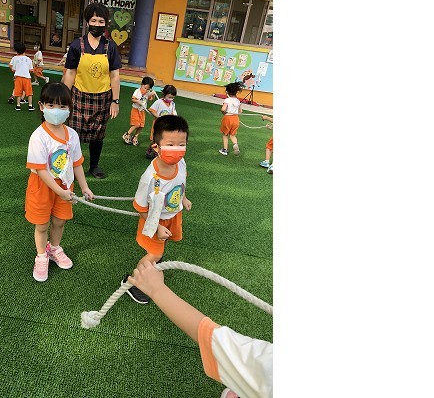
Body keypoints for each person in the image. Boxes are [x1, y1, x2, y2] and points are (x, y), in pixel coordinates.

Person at [127, 260, 273, 398]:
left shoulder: (269, 370)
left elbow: (209, 335)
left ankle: (248, 389)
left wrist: (156, 289)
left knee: (250, 372)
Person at [25, 82, 95, 282]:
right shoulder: (38, 136)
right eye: (51, 105)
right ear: (41, 106)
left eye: (63, 106)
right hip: (43, 187)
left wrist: (84, 187)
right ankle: (41, 256)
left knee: (59, 221)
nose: (57, 110)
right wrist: (59, 191)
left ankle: (54, 248)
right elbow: (40, 170)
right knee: (42, 225)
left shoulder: (72, 135)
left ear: (69, 109)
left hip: (65, 186)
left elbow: (77, 163)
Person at [123, 115, 192, 304]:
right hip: (154, 220)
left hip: (173, 215)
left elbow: (181, 183)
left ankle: (154, 263)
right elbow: (140, 207)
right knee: (155, 253)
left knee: (160, 248)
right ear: (156, 147)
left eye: (181, 144)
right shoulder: (150, 178)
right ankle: (134, 282)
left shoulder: (181, 163)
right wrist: (158, 226)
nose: (177, 150)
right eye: (170, 144)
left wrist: (184, 198)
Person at [62, 3, 122, 179]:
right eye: (93, 20)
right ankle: (73, 164)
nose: (97, 24)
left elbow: (115, 76)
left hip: (103, 98)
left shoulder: (110, 47)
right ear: (87, 22)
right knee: (74, 133)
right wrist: (64, 97)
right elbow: (70, 72)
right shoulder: (76, 45)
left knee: (98, 135)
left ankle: (94, 166)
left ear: (106, 23)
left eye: (101, 21)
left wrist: (115, 101)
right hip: (78, 96)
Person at [145, 85, 178, 159]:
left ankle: (157, 152)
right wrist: (158, 117)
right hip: (157, 124)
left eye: (172, 98)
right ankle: (150, 149)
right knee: (154, 139)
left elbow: (173, 113)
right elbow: (152, 110)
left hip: (166, 125)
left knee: (161, 139)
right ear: (164, 94)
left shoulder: (172, 104)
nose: (171, 99)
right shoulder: (159, 102)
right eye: (169, 97)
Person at [122, 77, 156, 147]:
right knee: (136, 124)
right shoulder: (137, 91)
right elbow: (133, 99)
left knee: (141, 125)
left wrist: (153, 94)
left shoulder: (147, 93)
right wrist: (138, 101)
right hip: (136, 109)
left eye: (148, 89)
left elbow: (151, 99)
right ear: (141, 85)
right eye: (145, 88)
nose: (146, 90)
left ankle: (135, 137)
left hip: (142, 111)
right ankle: (127, 134)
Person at [9, 41, 35, 111]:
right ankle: (30, 105)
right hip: (27, 78)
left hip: (18, 77)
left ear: (16, 50)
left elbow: (12, 68)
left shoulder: (14, 58)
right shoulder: (28, 59)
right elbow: (31, 70)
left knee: (18, 91)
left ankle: (18, 105)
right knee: (29, 92)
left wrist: (16, 72)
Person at [219, 82, 243, 156]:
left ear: (227, 92)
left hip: (228, 118)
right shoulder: (238, 101)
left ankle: (225, 150)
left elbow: (223, 109)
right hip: (235, 118)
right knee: (232, 135)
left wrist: (224, 112)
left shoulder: (227, 100)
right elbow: (240, 112)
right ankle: (235, 144)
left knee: (225, 134)